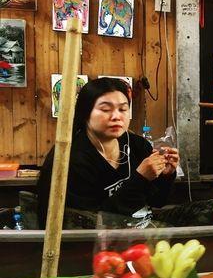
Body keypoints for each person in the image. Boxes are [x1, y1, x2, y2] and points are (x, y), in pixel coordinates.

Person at [37, 77, 180, 228]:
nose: (116, 116)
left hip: (143, 233)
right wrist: (141, 179)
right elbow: (94, 224)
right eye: (106, 109)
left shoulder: (138, 146)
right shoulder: (70, 160)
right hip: (92, 244)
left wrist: (165, 176)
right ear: (85, 113)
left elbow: (158, 201)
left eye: (123, 109)